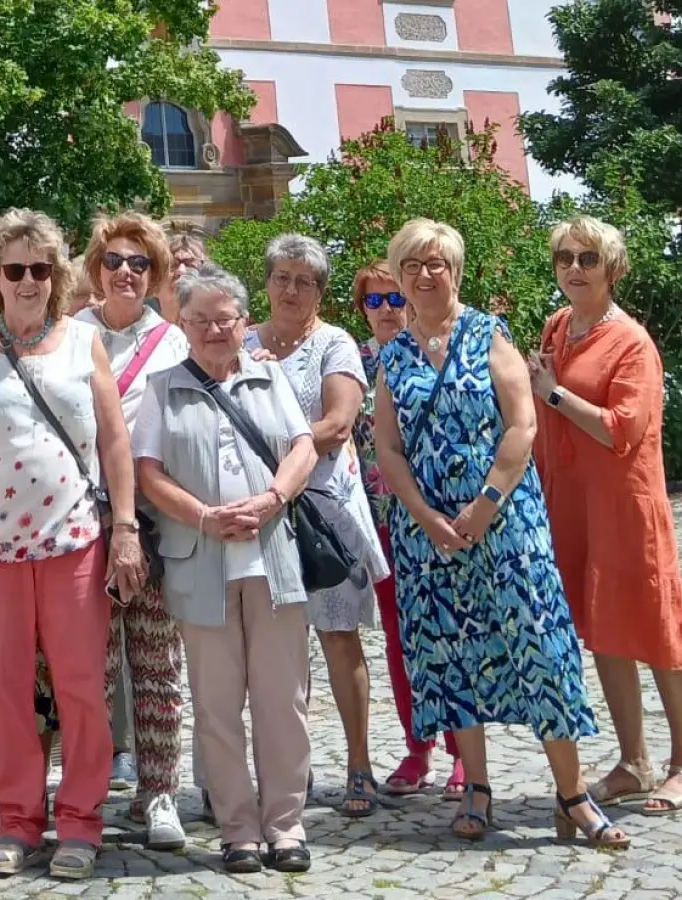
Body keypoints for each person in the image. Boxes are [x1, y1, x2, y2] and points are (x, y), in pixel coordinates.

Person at [375, 217, 630, 848]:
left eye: (436, 264)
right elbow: (388, 449)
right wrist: (425, 516)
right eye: (412, 265)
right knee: (451, 651)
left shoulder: (487, 333)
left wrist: (486, 503)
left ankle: (571, 795)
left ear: (456, 271)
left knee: (540, 646)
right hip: (429, 534)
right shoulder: (393, 355)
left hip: (507, 523)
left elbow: (521, 425)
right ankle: (477, 788)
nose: (425, 275)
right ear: (400, 275)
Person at [0, 208, 145, 880]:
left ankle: (80, 822)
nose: (27, 281)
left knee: (81, 687)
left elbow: (115, 442)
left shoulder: (83, 343)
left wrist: (125, 529)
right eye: (13, 269)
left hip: (72, 542)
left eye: (39, 268)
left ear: (56, 275)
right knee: (1, 690)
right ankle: (18, 821)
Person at [135, 263, 318, 873]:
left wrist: (272, 499)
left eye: (225, 319)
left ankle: (286, 826)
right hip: (201, 563)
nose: (214, 330)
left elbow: (303, 447)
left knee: (282, 702)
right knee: (216, 708)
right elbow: (148, 472)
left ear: (244, 322)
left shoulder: (270, 377)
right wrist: (204, 517)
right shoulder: (163, 387)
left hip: (273, 562)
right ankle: (237, 828)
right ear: (182, 325)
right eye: (200, 320)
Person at [530, 215, 682, 814]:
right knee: (603, 628)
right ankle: (634, 762)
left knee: (657, 627)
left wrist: (554, 393)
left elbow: (621, 429)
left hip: (625, 504)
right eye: (564, 258)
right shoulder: (558, 327)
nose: (574, 268)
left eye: (588, 259)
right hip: (574, 502)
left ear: (613, 269)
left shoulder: (631, 342)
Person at [244, 234, 390, 818]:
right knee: (274, 649)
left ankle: (359, 765)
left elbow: (337, 424)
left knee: (337, 635)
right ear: (267, 282)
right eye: (282, 277)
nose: (291, 289)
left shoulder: (334, 344)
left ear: (320, 291)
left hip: (322, 510)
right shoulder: (243, 341)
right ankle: (288, 771)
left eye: (305, 281)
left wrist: (277, 461)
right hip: (259, 510)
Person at [72, 212, 190, 847]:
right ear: (96, 269)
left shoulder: (174, 343)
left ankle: (159, 792)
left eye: (139, 263)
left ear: (156, 274)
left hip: (150, 522)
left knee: (155, 661)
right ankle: (86, 794)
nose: (125, 272)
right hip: (75, 520)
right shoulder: (68, 335)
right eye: (114, 261)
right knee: (87, 665)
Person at [349, 261, 464, 801]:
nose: (386, 310)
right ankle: (418, 748)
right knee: (399, 637)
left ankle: (464, 753)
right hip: (382, 521)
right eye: (373, 301)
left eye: (395, 298)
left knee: (452, 631)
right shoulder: (353, 363)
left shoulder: (434, 352)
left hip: (440, 517)